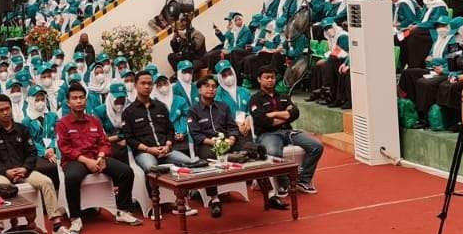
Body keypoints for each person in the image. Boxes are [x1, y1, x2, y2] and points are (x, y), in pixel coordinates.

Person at [0, 94, 78, 234]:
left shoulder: (22, 130)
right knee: (0, 188)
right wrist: (6, 171)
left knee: (47, 182)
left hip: (25, 171)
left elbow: (32, 153)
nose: (6, 112)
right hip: (2, 173)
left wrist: (25, 168)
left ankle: (57, 226)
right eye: (1, 110)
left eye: (8, 108)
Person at [187, 76, 282, 216]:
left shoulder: (223, 107)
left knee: (252, 150)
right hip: (208, 143)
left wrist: (231, 139)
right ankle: (214, 200)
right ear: (200, 90)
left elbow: (232, 127)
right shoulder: (193, 111)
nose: (211, 89)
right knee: (207, 158)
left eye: (213, 86)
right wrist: (213, 142)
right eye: (207, 86)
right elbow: (196, 135)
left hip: (228, 141)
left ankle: (270, 193)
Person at [55, 84, 142, 228]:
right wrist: (87, 161)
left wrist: (101, 157)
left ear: (86, 100)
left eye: (82, 98)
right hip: (76, 161)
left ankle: (122, 211)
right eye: (74, 98)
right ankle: (76, 218)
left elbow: (104, 142)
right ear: (68, 102)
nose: (79, 101)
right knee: (71, 178)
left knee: (126, 172)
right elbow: (66, 149)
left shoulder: (94, 120)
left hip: (97, 158)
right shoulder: (62, 123)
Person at [120, 72, 198, 218]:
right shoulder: (129, 112)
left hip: (166, 150)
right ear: (136, 85)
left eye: (150, 83)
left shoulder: (160, 107)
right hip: (145, 152)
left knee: (187, 162)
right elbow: (130, 139)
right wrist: (149, 149)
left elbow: (170, 130)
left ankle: (180, 202)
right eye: (143, 83)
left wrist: (168, 145)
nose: (147, 86)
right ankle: (156, 206)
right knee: (151, 168)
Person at [248, 65, 322, 194]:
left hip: (288, 132)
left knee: (316, 146)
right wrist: (284, 115)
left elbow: (295, 113)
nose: (270, 80)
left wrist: (272, 114)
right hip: (268, 134)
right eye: (266, 78)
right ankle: (283, 183)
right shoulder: (255, 99)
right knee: (273, 152)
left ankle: (303, 180)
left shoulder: (283, 96)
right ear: (259, 80)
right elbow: (261, 120)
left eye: (272, 77)